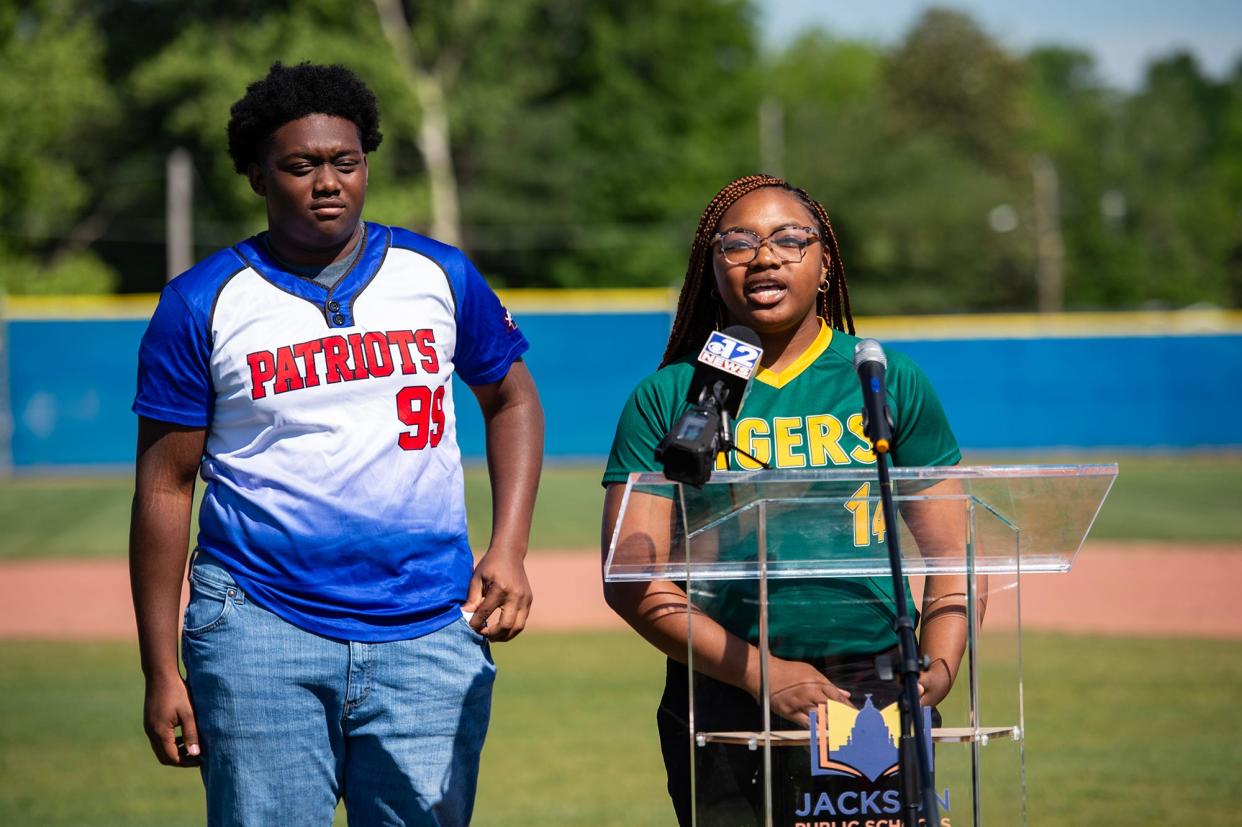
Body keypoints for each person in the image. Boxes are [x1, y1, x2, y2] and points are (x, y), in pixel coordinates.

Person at [130, 61, 543, 826]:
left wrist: (509, 546)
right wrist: (161, 668)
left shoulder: (437, 273)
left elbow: (512, 398)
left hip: (428, 624)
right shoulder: (202, 301)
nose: (328, 181)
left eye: (345, 162)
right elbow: (163, 488)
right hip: (259, 625)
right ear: (256, 175)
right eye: (301, 164)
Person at [600, 174, 971, 825]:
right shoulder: (671, 396)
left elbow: (953, 552)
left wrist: (939, 659)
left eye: (789, 240)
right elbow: (631, 577)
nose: (764, 257)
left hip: (872, 686)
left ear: (825, 262)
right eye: (737, 243)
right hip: (721, 686)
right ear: (710, 267)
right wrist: (762, 672)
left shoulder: (881, 378)